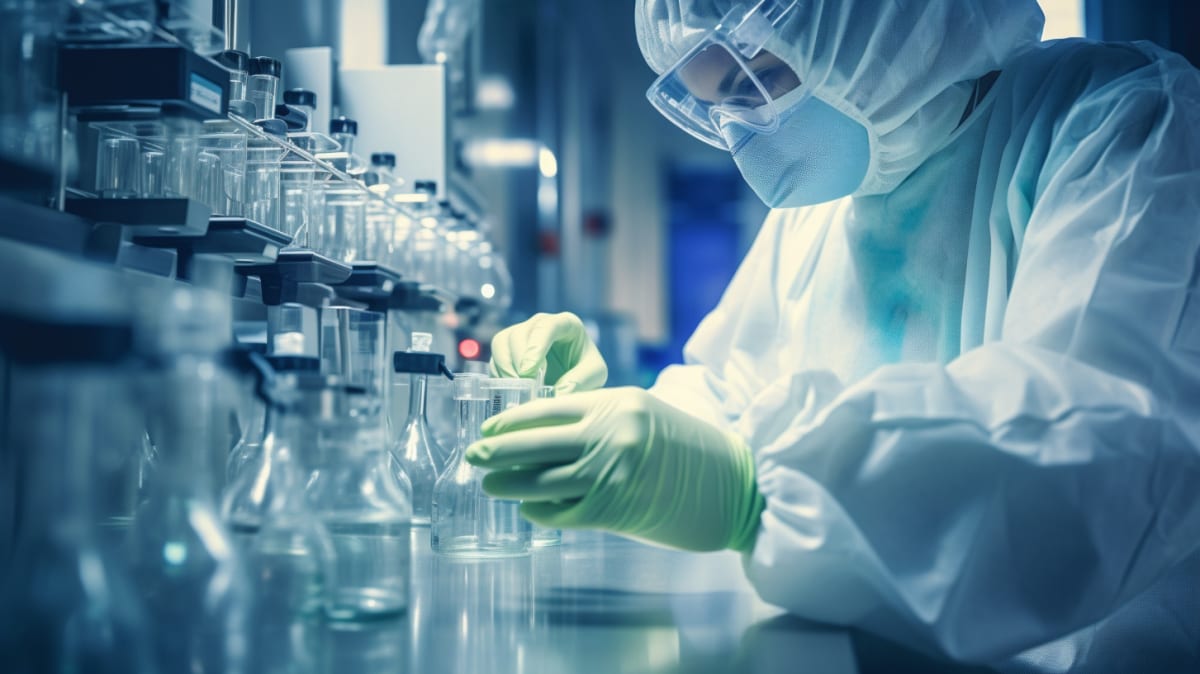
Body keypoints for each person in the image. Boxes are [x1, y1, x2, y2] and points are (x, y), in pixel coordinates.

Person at [467, 0, 1200, 671]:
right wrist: (619, 423)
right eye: (717, 104)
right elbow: (736, 395)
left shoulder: (1123, 120)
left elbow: (1098, 443)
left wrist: (750, 494)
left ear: (882, 19)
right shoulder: (830, 197)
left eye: (756, 82)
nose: (739, 133)